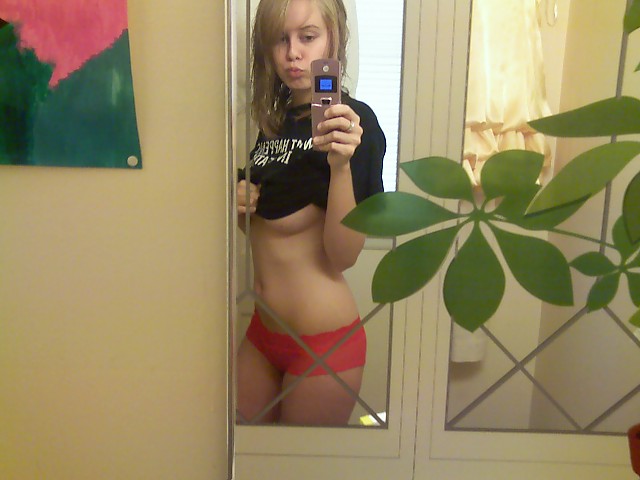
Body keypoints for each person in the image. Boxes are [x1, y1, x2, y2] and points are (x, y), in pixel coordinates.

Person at [236, 0, 385, 426]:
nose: (293, 53)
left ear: (334, 38)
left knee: (296, 460)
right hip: (263, 334)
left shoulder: (353, 124)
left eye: (307, 36)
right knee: (240, 452)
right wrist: (243, 201)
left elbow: (343, 256)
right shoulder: (275, 121)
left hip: (323, 344)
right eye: (280, 39)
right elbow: (272, 233)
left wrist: (341, 167)